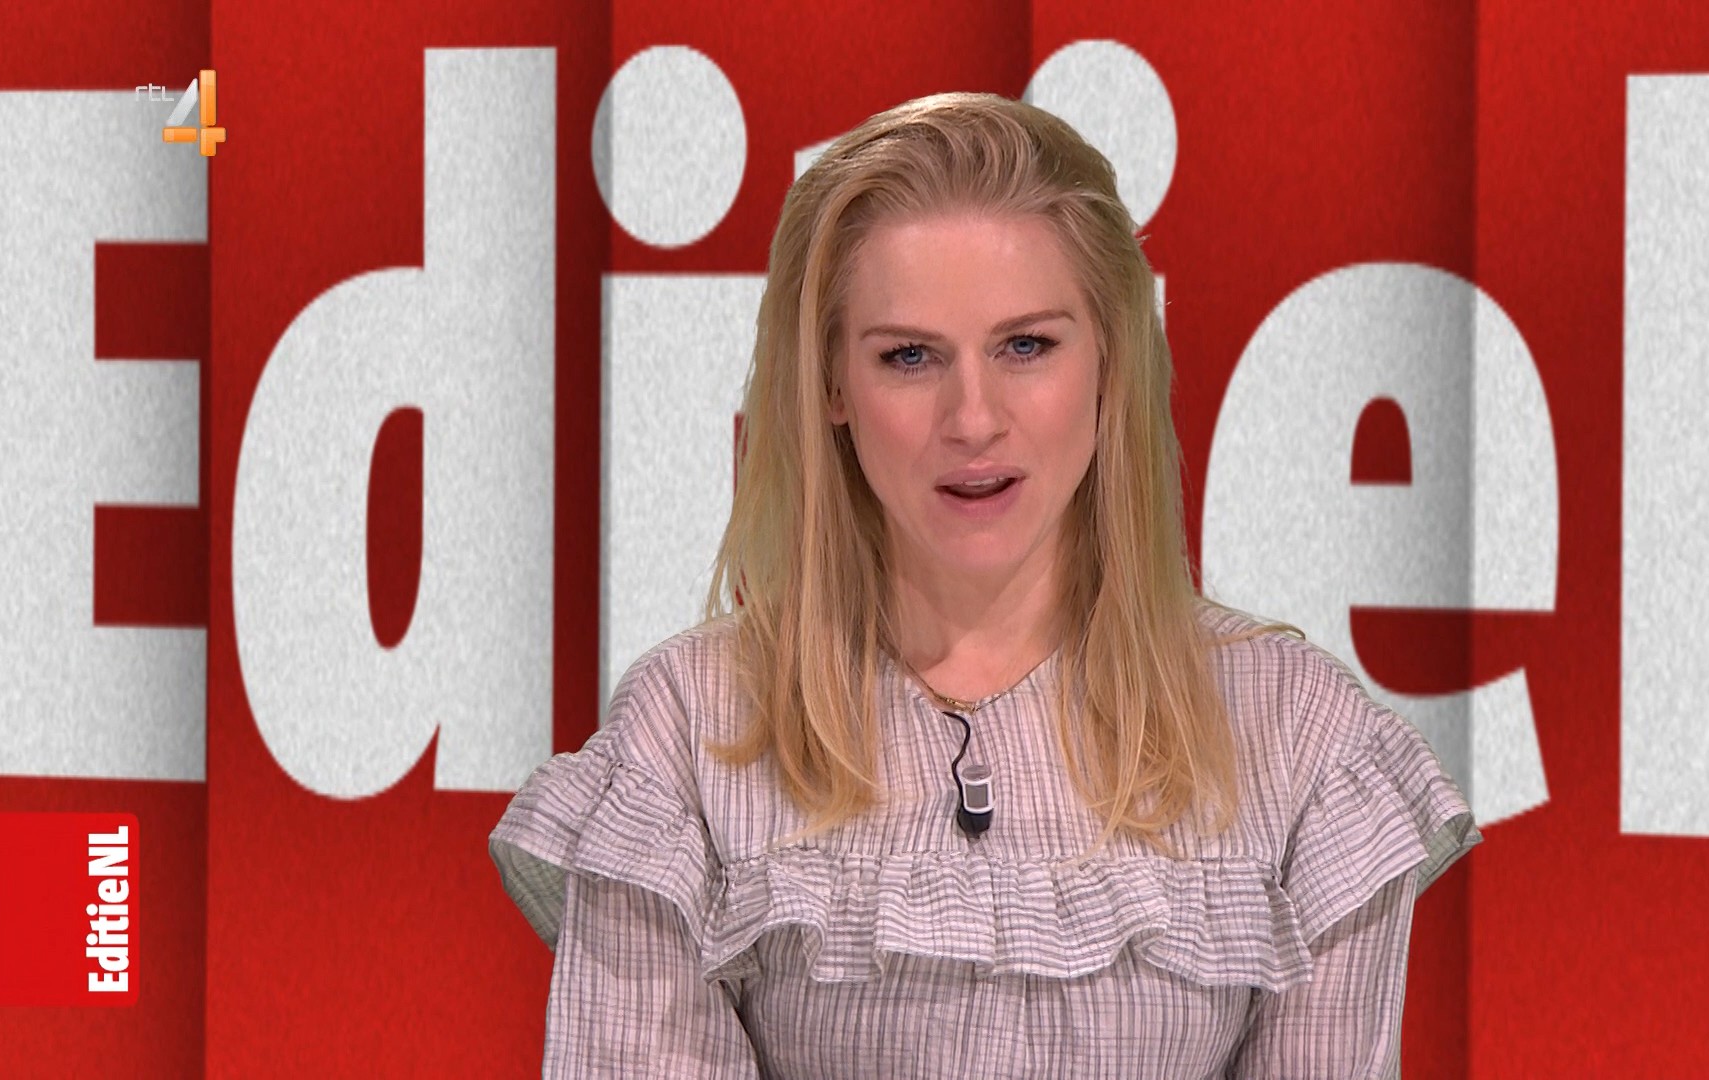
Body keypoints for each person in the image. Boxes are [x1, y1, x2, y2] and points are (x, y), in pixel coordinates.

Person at [489, 90, 1480, 1078]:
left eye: (1026, 347)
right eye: (909, 357)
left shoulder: (1297, 735)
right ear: (831, 384)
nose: (973, 419)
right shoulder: (690, 730)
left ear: (1110, 365)